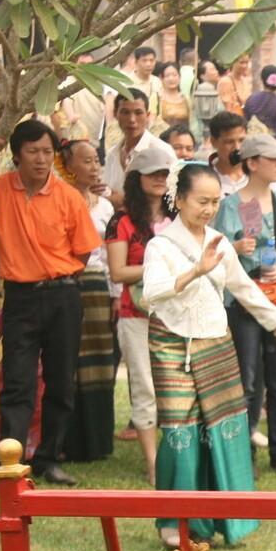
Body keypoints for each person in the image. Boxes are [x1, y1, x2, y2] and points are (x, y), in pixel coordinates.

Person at [143, 162, 276, 548]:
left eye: (215, 202)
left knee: (220, 427)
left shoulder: (218, 241)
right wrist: (196, 271)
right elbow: (151, 292)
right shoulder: (160, 245)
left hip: (215, 339)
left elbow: (244, 288)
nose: (210, 209)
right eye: (202, 201)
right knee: (179, 431)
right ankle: (175, 524)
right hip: (173, 343)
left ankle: (220, 519)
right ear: (179, 199)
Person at [0, 119, 102, 486]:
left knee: (60, 381)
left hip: (63, 295)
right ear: (16, 155)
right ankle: (10, 462)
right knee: (17, 382)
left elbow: (83, 251)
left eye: (47, 152)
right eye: (33, 152)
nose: (41, 159)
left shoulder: (68, 197)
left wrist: (55, 272)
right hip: (19, 296)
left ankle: (49, 458)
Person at [214, 133, 276, 477]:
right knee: (247, 381)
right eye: (274, 159)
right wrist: (236, 249)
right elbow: (218, 251)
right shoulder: (231, 205)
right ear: (252, 163)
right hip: (245, 301)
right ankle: (245, 453)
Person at [107, 147, 173, 486]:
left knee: (175, 388)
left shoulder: (179, 216)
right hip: (136, 314)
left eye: (165, 173)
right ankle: (152, 462)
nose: (160, 178)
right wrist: (160, 268)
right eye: (153, 173)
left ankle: (177, 456)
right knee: (145, 386)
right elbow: (118, 272)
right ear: (137, 178)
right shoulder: (122, 221)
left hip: (176, 313)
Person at [55, 139, 116, 462]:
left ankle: (96, 441)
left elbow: (108, 255)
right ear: (68, 165)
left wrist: (115, 294)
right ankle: (66, 439)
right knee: (67, 360)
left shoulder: (105, 206)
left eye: (96, 161)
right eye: (87, 161)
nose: (94, 168)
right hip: (65, 281)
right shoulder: (58, 200)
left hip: (97, 285)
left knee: (99, 361)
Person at [104, 89, 176, 209]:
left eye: (138, 113)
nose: (132, 120)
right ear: (116, 114)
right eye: (125, 112)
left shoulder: (162, 150)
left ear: (147, 115)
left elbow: (173, 195)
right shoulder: (113, 154)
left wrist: (122, 201)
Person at [243, 66, 276, 143]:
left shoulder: (251, 99)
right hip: (270, 143)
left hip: (251, 142)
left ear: (262, 80)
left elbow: (245, 122)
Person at [207, 111, 248, 196]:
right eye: (229, 142)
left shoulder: (259, 174)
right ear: (213, 142)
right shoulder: (204, 178)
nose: (237, 147)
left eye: (241, 140)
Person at [155, 62, 191, 132]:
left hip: (184, 135)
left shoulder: (186, 99)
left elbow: (192, 122)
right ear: (161, 78)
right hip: (163, 136)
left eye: (174, 75)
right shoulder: (157, 98)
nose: (171, 78)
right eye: (167, 76)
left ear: (179, 77)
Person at [128, 46, 164, 115]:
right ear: (136, 62)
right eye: (144, 60)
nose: (148, 64)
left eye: (151, 60)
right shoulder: (127, 82)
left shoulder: (157, 81)